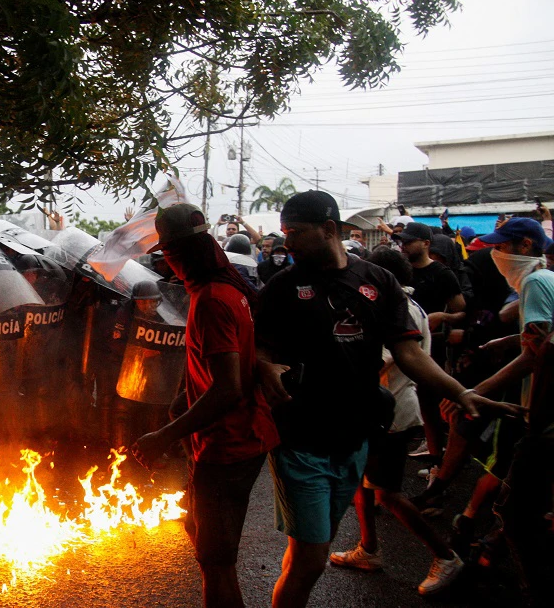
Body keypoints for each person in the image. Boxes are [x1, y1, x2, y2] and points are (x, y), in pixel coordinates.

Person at [255, 190, 522, 608]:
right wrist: (264, 365)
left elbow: (409, 352)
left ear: (329, 230)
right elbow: (258, 347)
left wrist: (462, 392)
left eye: (297, 232)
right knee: (309, 562)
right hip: (300, 439)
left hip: (355, 438)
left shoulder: (378, 282)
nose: (287, 241)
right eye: (285, 231)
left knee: (310, 553)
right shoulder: (281, 288)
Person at [132, 203, 279, 608]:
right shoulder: (228, 289)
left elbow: (228, 388)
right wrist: (185, 400)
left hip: (229, 442)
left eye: (168, 255)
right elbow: (231, 366)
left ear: (178, 255)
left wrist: (163, 436)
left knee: (216, 561)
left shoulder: (213, 299)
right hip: (237, 436)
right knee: (200, 532)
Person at [330, 246, 465, 597]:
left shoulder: (396, 308)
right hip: (382, 408)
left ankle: (445, 556)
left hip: (391, 413)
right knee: (363, 480)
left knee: (388, 494)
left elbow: (383, 360)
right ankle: (369, 549)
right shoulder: (407, 304)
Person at [444, 217, 554, 606]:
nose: (496, 254)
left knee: (519, 510)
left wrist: (474, 392)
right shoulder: (545, 278)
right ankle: (487, 557)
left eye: (502, 247)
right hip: (542, 409)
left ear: (525, 245)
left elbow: (536, 352)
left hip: (543, 412)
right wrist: (504, 341)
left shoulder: (536, 282)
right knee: (522, 497)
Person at [397, 222, 465, 467]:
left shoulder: (441, 273)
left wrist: (441, 317)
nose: (403, 245)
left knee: (428, 402)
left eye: (408, 241)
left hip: (429, 346)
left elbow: (461, 312)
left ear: (426, 244)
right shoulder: (399, 270)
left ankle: (437, 459)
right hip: (398, 346)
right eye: (401, 241)